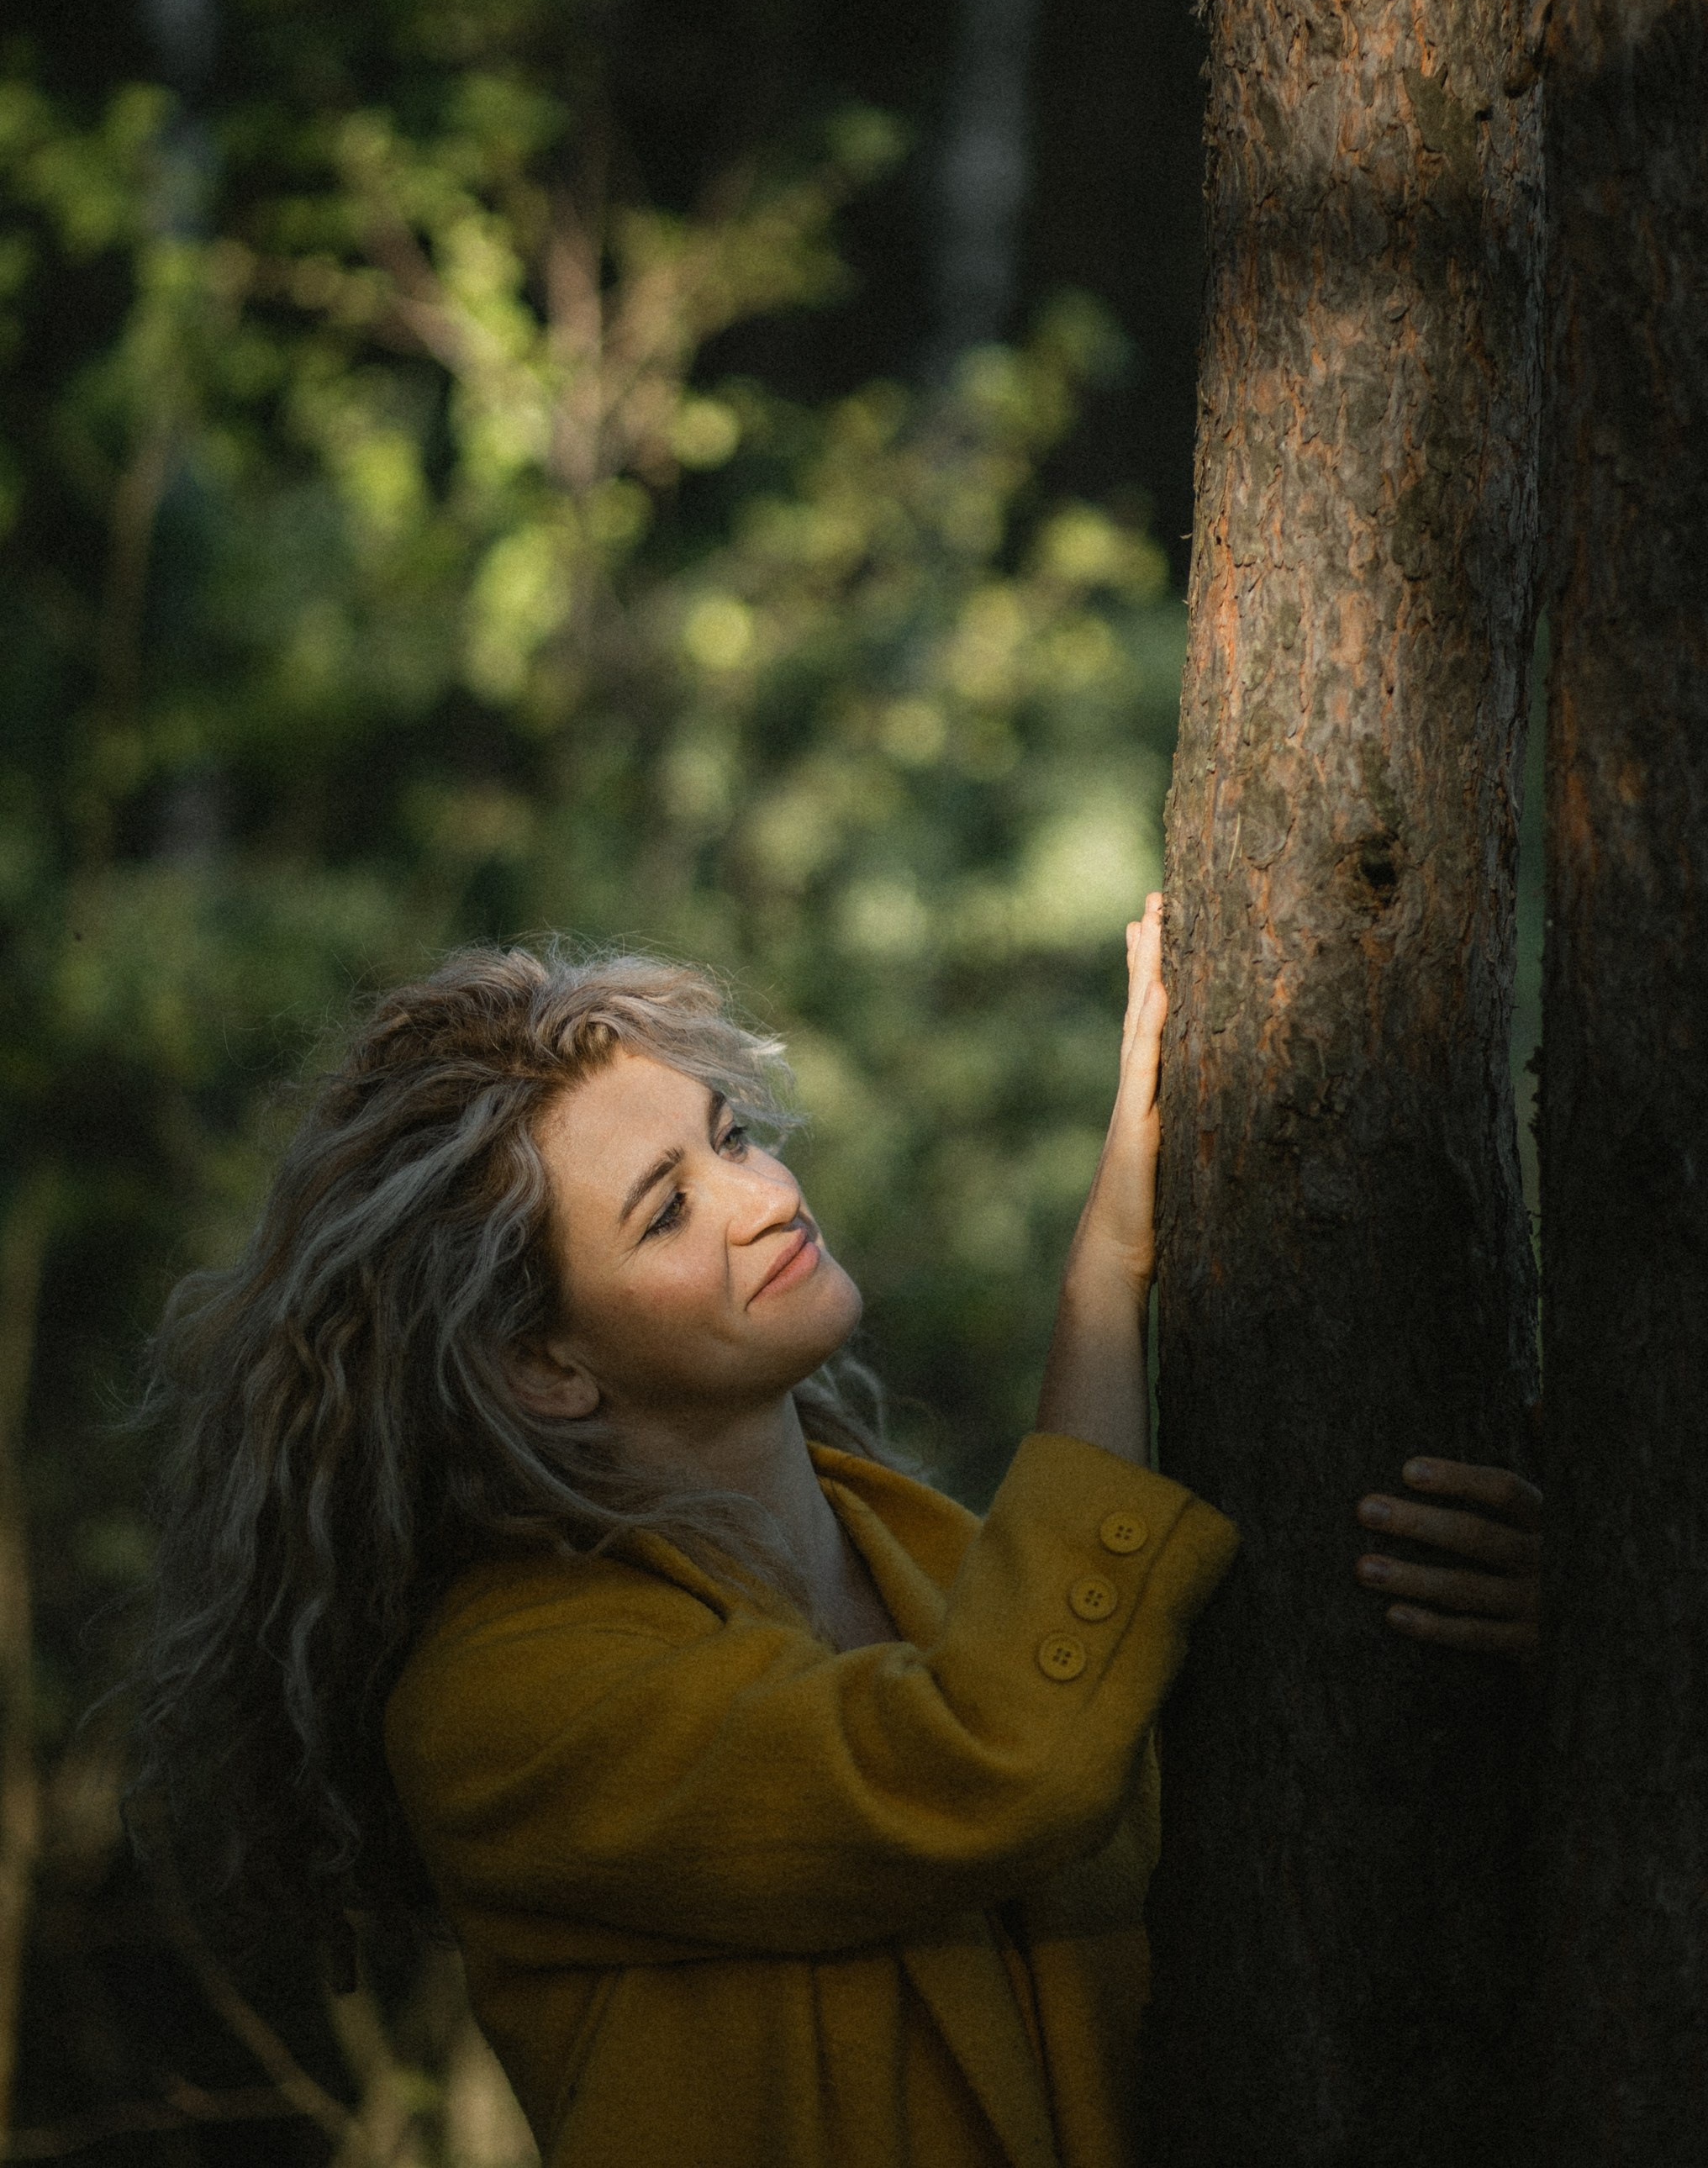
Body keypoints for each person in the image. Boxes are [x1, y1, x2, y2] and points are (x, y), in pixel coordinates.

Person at [134, 896, 1542, 2168]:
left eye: (729, 1135)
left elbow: (1266, 1846)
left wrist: (1526, 1646)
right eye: (667, 1211)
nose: (765, 1199)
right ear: (540, 1367)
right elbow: (996, 1768)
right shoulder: (504, 1698)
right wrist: (1108, 1269)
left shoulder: (927, 1552)